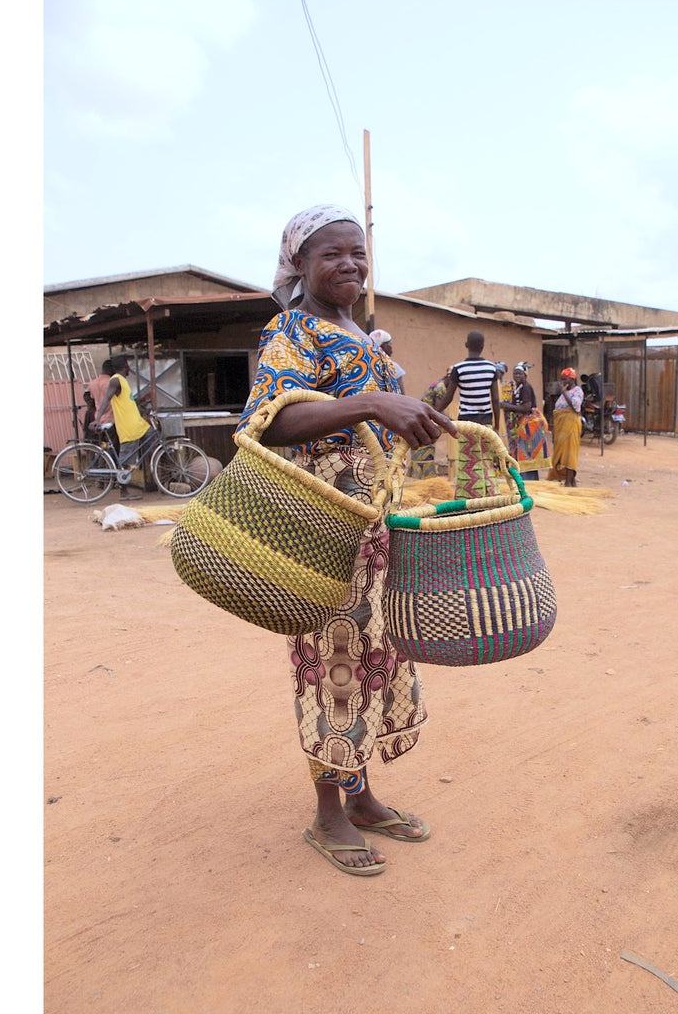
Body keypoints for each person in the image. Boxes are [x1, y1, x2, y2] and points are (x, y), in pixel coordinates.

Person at [234, 204, 457, 876]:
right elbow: (265, 422)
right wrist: (370, 404)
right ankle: (327, 815)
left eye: (358, 253)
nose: (350, 265)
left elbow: (389, 415)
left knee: (374, 658)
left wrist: (420, 410)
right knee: (330, 665)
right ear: (298, 263)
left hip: (378, 525)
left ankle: (361, 800)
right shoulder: (292, 332)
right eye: (332, 253)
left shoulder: (364, 334)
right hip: (325, 521)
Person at [433, 331, 502, 499]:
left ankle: (469, 498)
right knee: (486, 460)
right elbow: (495, 399)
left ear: (466, 345)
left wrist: (434, 413)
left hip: (466, 423)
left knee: (468, 462)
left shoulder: (459, 369)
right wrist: (497, 425)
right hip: (486, 422)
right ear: (482, 346)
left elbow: (448, 397)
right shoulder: (491, 368)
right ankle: (490, 496)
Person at [91, 354, 159, 501]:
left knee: (155, 438)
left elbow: (128, 403)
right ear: (126, 366)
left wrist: (143, 410)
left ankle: (157, 470)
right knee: (126, 461)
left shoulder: (122, 381)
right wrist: (97, 419)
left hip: (137, 424)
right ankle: (124, 491)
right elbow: (105, 400)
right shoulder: (116, 380)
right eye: (128, 366)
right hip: (129, 427)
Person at [498, 361, 549, 480]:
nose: (517, 376)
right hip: (524, 424)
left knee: (526, 452)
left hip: (530, 425)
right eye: (515, 373)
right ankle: (529, 478)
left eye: (520, 374)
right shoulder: (518, 387)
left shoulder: (525, 387)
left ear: (525, 375)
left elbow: (526, 407)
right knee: (526, 453)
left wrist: (506, 406)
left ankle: (528, 479)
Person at [409, 370, 451, 479]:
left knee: (421, 450)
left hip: (421, 420)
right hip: (426, 422)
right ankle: (425, 481)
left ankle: (419, 480)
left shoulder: (437, 384)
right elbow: (438, 409)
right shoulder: (441, 388)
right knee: (426, 449)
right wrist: (450, 421)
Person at [548, 367, 583, 487]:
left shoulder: (577, 391)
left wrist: (563, 391)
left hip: (571, 424)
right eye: (562, 379)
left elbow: (575, 406)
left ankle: (568, 481)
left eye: (565, 379)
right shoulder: (564, 393)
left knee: (569, 453)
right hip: (561, 426)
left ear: (572, 379)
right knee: (561, 452)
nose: (563, 382)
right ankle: (571, 480)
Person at [85, 359, 116, 442]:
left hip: (98, 419)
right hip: (112, 420)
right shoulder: (112, 382)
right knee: (115, 448)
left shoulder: (92, 383)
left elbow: (91, 398)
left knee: (102, 445)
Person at [368, 329, 405, 395]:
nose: (391, 347)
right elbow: (401, 394)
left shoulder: (367, 365)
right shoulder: (393, 366)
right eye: (390, 343)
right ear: (383, 346)